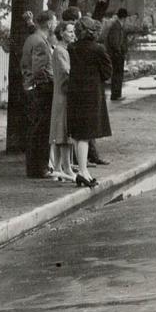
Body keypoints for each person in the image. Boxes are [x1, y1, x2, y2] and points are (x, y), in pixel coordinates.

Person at [67, 17, 112, 188]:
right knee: (86, 135)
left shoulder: (71, 48)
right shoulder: (98, 49)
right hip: (91, 95)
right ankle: (82, 172)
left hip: (74, 94)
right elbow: (108, 72)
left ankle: (84, 171)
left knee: (78, 134)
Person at [22, 10, 57, 179]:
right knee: (41, 130)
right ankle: (39, 168)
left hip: (32, 88)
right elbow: (39, 69)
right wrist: (52, 81)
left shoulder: (33, 38)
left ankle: (35, 167)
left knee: (35, 129)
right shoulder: (42, 43)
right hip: (41, 90)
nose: (56, 24)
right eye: (55, 21)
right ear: (49, 24)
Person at [47, 19, 77, 181]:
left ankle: (59, 167)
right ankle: (66, 167)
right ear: (62, 33)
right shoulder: (60, 51)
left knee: (60, 132)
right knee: (64, 133)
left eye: (73, 32)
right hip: (64, 95)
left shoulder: (63, 50)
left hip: (61, 94)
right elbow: (67, 72)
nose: (73, 35)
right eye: (70, 31)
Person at [102, 7, 130, 102]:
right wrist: (119, 51)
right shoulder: (116, 26)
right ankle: (116, 94)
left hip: (117, 53)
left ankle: (117, 94)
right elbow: (115, 42)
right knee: (117, 74)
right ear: (124, 17)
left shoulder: (117, 26)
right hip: (116, 54)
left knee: (118, 74)